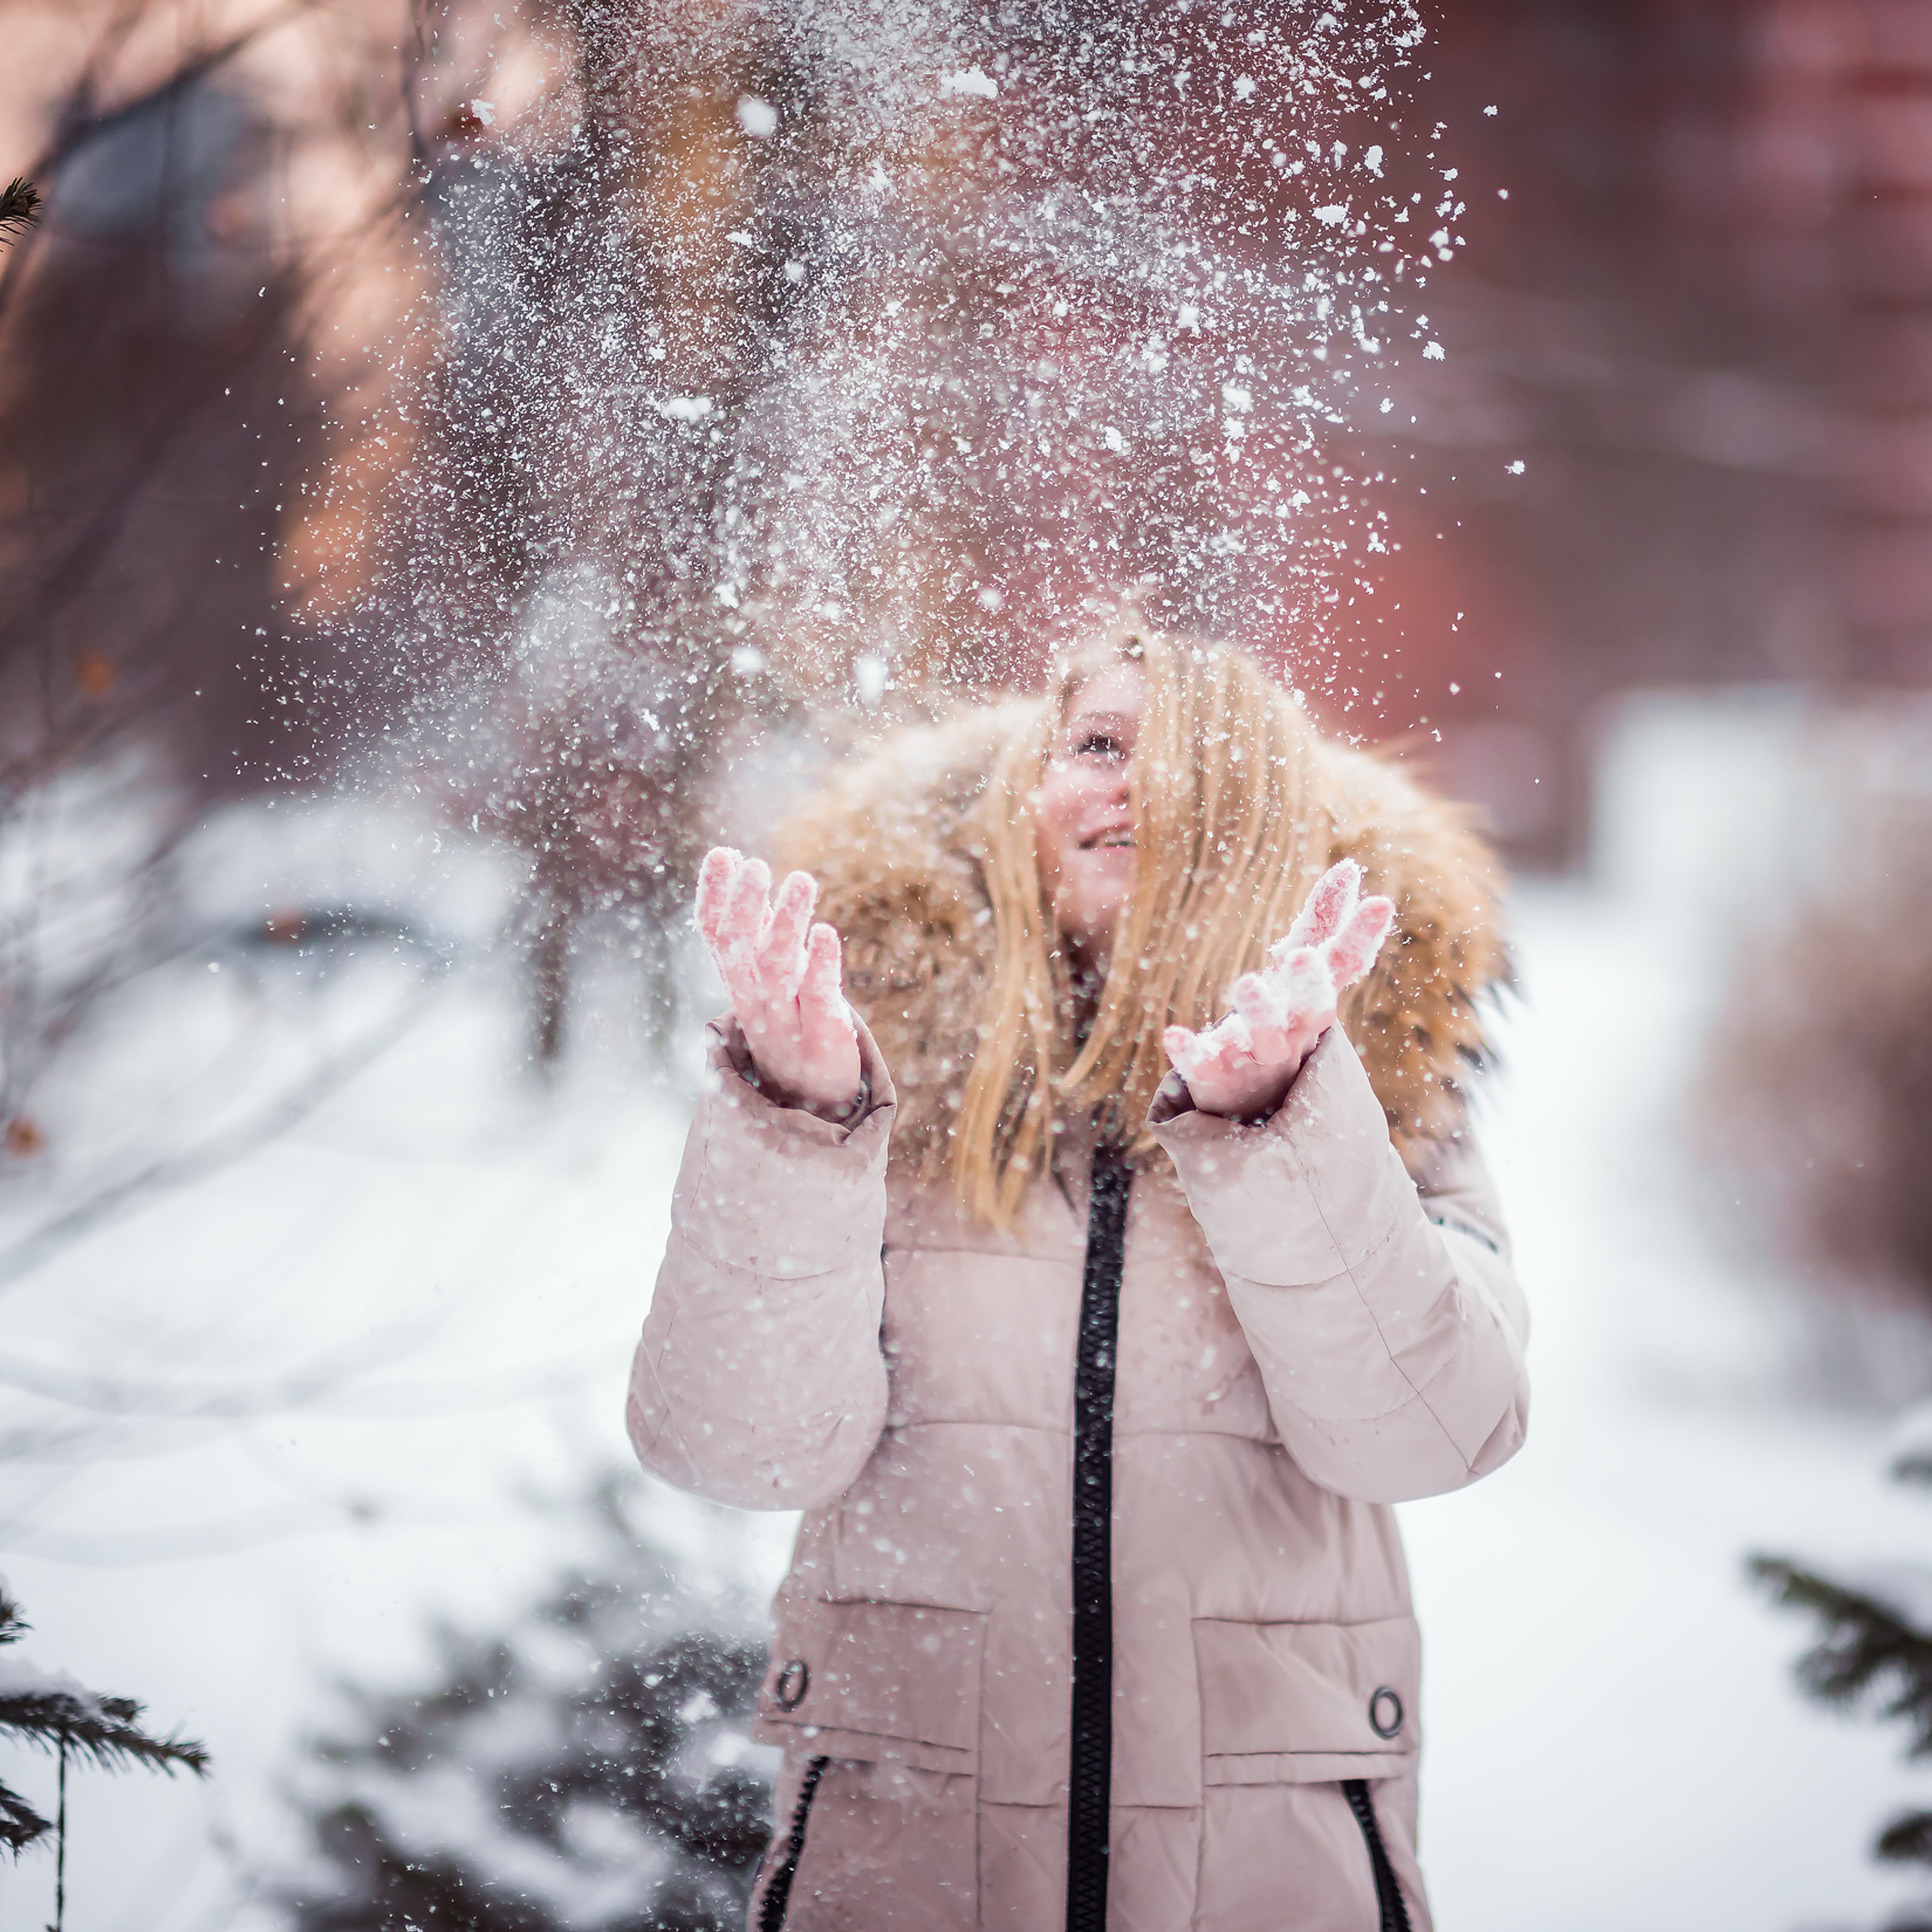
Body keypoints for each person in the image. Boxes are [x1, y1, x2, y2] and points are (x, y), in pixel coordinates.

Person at [627, 629, 1527, 1932]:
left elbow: (1433, 1435)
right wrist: (797, 1124)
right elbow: (734, 1450)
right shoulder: (862, 1069)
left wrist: (1284, 1131)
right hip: (906, 1870)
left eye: (1198, 763)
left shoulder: (1386, 1090)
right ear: (1023, 794)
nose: (1139, 786)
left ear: (1270, 822)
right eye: (1099, 744)